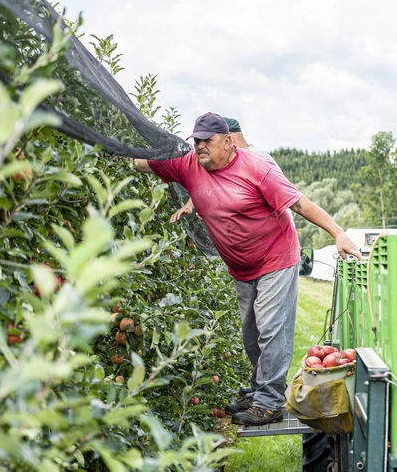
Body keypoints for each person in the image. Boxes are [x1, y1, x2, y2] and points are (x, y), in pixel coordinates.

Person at [133, 112, 361, 426]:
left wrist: (338, 232)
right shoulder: (188, 164)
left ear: (228, 142)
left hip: (276, 258)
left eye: (207, 141)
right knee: (252, 335)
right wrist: (110, 151)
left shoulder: (257, 167)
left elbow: (299, 203)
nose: (199, 147)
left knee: (270, 328)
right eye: (196, 141)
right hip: (241, 267)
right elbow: (146, 163)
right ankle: (260, 391)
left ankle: (269, 404)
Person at [169, 117, 282, 223]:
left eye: (210, 140)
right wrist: (191, 205)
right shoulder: (226, 165)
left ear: (228, 139)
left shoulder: (257, 158)